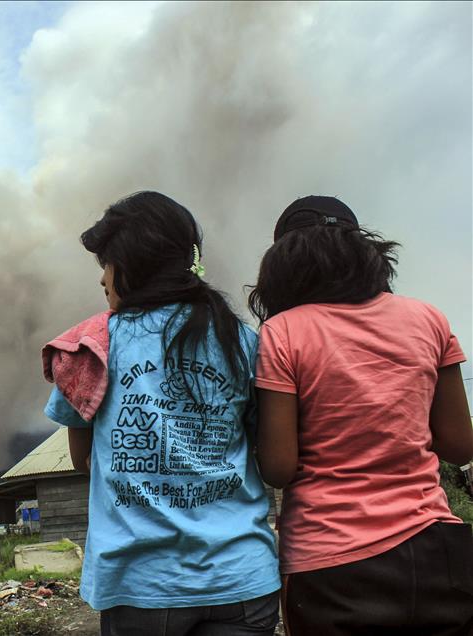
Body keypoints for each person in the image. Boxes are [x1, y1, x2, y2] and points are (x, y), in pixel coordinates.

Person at [43, 191, 281, 636]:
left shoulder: (94, 346)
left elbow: (84, 460)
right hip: (241, 578)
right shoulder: (243, 341)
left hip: (140, 585)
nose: (102, 281)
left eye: (107, 266)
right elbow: (263, 449)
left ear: (134, 265)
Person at [250, 195, 473, 636]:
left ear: (283, 263)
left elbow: (277, 468)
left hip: (333, 566)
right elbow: (458, 444)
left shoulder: (283, 332)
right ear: (365, 251)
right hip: (438, 551)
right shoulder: (429, 318)